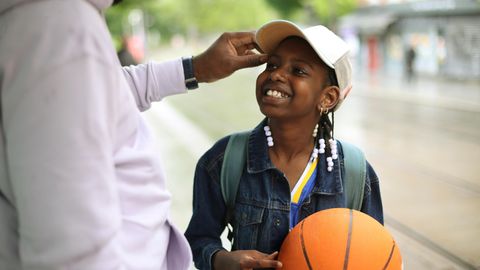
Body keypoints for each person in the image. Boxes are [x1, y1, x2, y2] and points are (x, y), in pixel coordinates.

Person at [0, 0, 267, 269]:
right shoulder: (59, 26)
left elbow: (105, 90)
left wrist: (196, 69)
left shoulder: (52, 23)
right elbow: (71, 251)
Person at [185, 20, 384, 270]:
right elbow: (198, 239)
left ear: (328, 97)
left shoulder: (355, 172)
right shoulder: (224, 160)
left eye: (298, 70)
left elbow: (374, 254)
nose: (277, 74)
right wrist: (221, 260)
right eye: (273, 64)